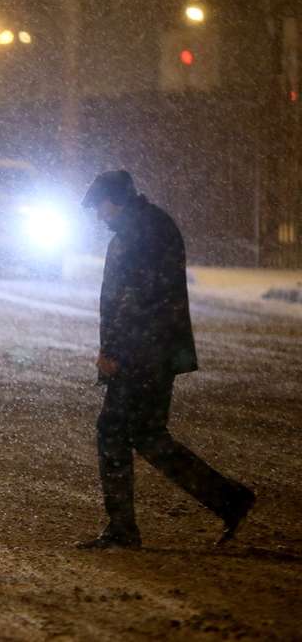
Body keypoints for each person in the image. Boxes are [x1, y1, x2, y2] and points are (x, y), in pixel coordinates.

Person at [77, 170, 255, 550]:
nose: (98, 216)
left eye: (100, 207)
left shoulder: (139, 234)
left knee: (114, 430)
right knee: (146, 434)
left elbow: (132, 300)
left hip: (141, 353)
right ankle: (228, 499)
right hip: (155, 349)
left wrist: (113, 351)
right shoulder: (152, 226)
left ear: (116, 200)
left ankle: (123, 529)